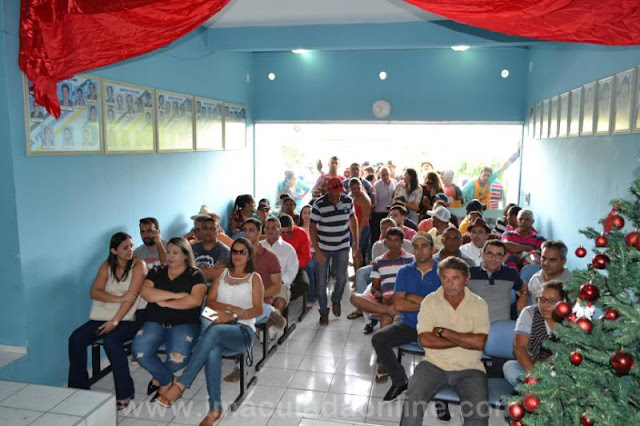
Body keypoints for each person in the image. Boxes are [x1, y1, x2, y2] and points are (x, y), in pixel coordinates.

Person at [155, 237, 262, 424]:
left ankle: (182, 383)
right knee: (212, 350)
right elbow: (210, 302)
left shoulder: (254, 278)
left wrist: (234, 315)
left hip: (243, 330)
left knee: (214, 332)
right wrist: (229, 309)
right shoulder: (222, 274)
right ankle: (215, 408)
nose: (237, 255)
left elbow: (258, 310)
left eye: (242, 252)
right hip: (219, 321)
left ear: (249, 255)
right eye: (234, 251)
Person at [400, 257, 490, 426]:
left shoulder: (479, 304)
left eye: (455, 278)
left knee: (478, 417)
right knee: (412, 404)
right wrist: (466, 339)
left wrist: (444, 332)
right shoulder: (430, 301)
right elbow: (425, 340)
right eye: (444, 278)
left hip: (470, 368)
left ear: (466, 279)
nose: (449, 284)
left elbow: (479, 343)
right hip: (433, 365)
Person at [68, 232, 147, 410]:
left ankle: (125, 393)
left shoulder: (139, 265)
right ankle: (78, 388)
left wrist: (115, 322)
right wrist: (118, 298)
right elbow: (94, 292)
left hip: (133, 316)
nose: (131, 250)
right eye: (125, 247)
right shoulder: (106, 266)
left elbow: (132, 298)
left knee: (112, 341)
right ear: (114, 250)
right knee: (76, 339)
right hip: (107, 315)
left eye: (132, 246)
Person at [131, 238, 207, 402]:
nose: (170, 256)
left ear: (185, 255)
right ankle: (166, 380)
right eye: (168, 252)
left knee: (178, 359)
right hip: (155, 321)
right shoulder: (157, 270)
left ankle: (158, 378)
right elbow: (146, 293)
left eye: (175, 253)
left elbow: (195, 301)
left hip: (185, 323)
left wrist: (164, 302)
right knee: (139, 351)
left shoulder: (195, 275)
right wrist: (177, 296)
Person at [372, 232, 440, 400]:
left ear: (432, 248)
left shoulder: (443, 271)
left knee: (443, 353)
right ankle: (400, 380)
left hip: (436, 326)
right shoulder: (405, 271)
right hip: (409, 324)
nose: (420, 250)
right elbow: (399, 305)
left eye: (424, 246)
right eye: (416, 247)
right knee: (379, 339)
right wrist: (428, 303)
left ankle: (440, 395)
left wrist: (410, 297)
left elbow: (443, 306)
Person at [310, 177, 359, 325]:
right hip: (323, 248)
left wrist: (355, 242)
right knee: (321, 283)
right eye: (335, 193)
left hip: (342, 246)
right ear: (328, 190)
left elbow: (353, 220)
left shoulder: (348, 201)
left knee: (342, 278)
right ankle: (323, 312)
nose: (338, 195)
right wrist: (317, 250)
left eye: (340, 192)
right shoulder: (319, 204)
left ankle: (336, 299)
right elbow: (312, 227)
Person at [349, 227, 413, 340]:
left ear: (402, 242)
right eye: (390, 240)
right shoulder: (379, 261)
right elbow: (375, 286)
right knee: (354, 297)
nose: (393, 244)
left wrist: (394, 297)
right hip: (384, 301)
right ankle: (392, 312)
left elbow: (412, 285)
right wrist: (377, 292)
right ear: (385, 242)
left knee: (385, 320)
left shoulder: (411, 260)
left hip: (402, 299)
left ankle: (389, 314)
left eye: (396, 240)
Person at [503, 282, 566, 387]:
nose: (546, 305)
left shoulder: (571, 319)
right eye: (542, 300)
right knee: (510, 367)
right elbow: (519, 348)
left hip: (561, 369)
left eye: (552, 301)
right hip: (531, 364)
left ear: (563, 302)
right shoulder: (529, 313)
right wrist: (535, 376)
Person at [468, 241, 527, 322]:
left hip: (501, 325)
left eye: (498, 255)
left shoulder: (510, 273)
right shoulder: (470, 273)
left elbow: (524, 285)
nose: (493, 258)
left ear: (504, 258)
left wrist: (524, 296)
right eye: (490, 254)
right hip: (474, 324)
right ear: (483, 255)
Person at [261, 217, 299, 319]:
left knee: (279, 302)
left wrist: (278, 281)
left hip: (280, 285)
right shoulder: (259, 247)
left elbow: (292, 271)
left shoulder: (288, 249)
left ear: (280, 230)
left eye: (273, 228)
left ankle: (273, 325)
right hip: (261, 284)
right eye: (267, 228)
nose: (270, 231)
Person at [191, 215, 230, 283]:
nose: (208, 231)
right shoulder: (192, 248)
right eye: (205, 228)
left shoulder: (225, 251)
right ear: (201, 230)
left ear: (218, 231)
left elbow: (217, 275)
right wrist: (210, 271)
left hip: (214, 286)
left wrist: (192, 270)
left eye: (212, 229)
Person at [349, 178, 371, 270]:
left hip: (361, 228)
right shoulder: (351, 196)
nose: (356, 191)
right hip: (353, 228)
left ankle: (357, 274)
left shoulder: (363, 198)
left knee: (356, 251)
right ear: (350, 188)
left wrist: (358, 232)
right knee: (357, 252)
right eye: (354, 189)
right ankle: (357, 272)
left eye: (358, 188)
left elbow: (365, 217)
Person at [371, 166, 396, 244]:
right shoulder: (377, 185)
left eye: (387, 174)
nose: (385, 177)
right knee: (377, 235)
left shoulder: (394, 182)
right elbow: (375, 202)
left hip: (390, 213)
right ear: (379, 175)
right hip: (379, 213)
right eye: (383, 175)